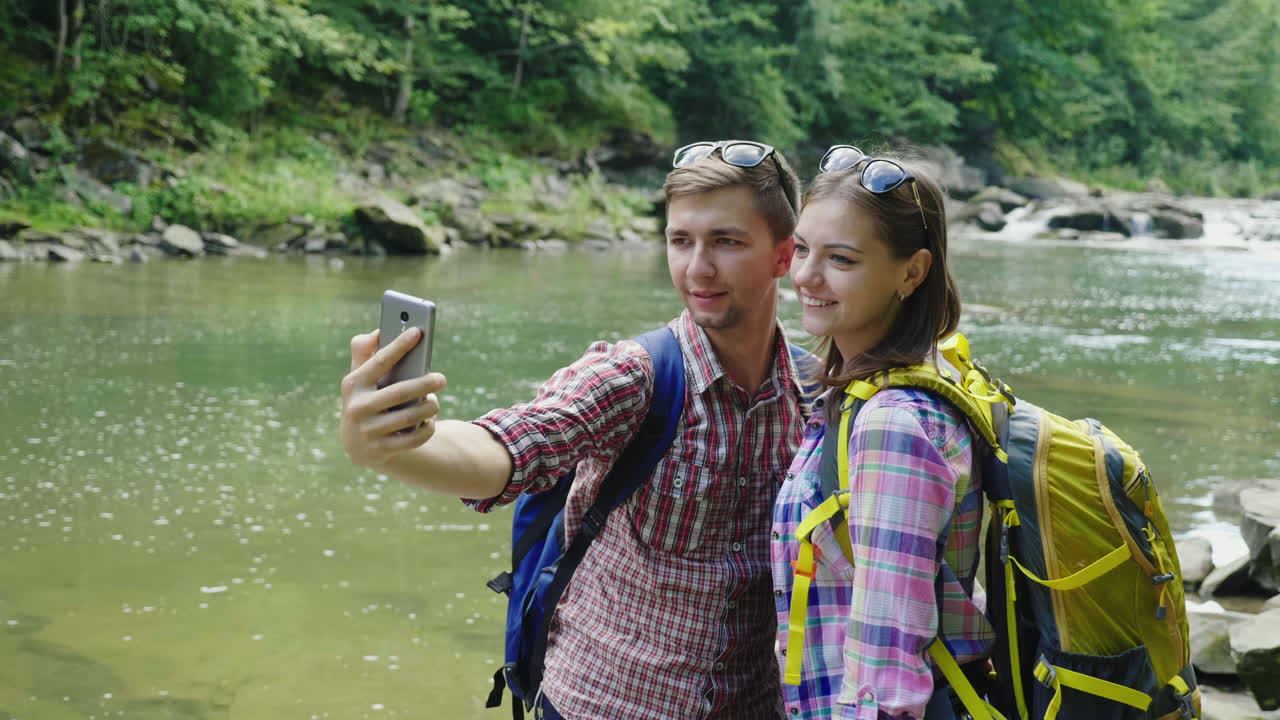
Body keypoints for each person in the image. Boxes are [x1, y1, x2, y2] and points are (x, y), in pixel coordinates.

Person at [339, 141, 810, 719]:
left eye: (727, 242)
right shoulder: (634, 377)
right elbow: (515, 444)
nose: (697, 268)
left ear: (784, 256)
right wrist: (395, 448)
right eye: (680, 241)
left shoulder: (813, 392)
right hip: (605, 703)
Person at [771, 147, 995, 720]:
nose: (804, 276)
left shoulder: (892, 423)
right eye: (801, 249)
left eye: (841, 260)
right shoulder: (874, 386)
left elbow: (887, 665)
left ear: (912, 272)